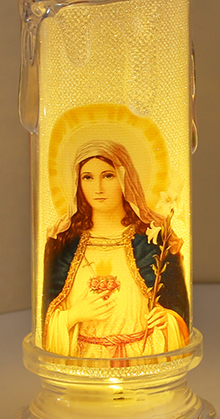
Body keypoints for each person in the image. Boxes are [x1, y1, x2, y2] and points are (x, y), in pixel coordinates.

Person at [43, 139, 189, 358]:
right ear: (77, 182)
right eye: (88, 177)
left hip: (140, 357)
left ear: (124, 178)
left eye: (108, 176)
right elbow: (47, 317)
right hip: (86, 362)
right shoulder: (63, 243)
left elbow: (178, 308)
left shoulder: (154, 241)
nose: (98, 188)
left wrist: (167, 318)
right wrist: (73, 315)